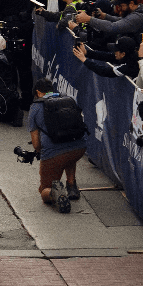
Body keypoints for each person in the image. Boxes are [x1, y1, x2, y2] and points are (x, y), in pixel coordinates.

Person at [28, 78, 86, 213]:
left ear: (37, 92)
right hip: (79, 148)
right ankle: (71, 186)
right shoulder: (67, 100)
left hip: (54, 153)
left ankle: (56, 193)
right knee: (68, 152)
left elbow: (36, 143)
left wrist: (40, 153)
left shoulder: (35, 107)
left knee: (44, 189)